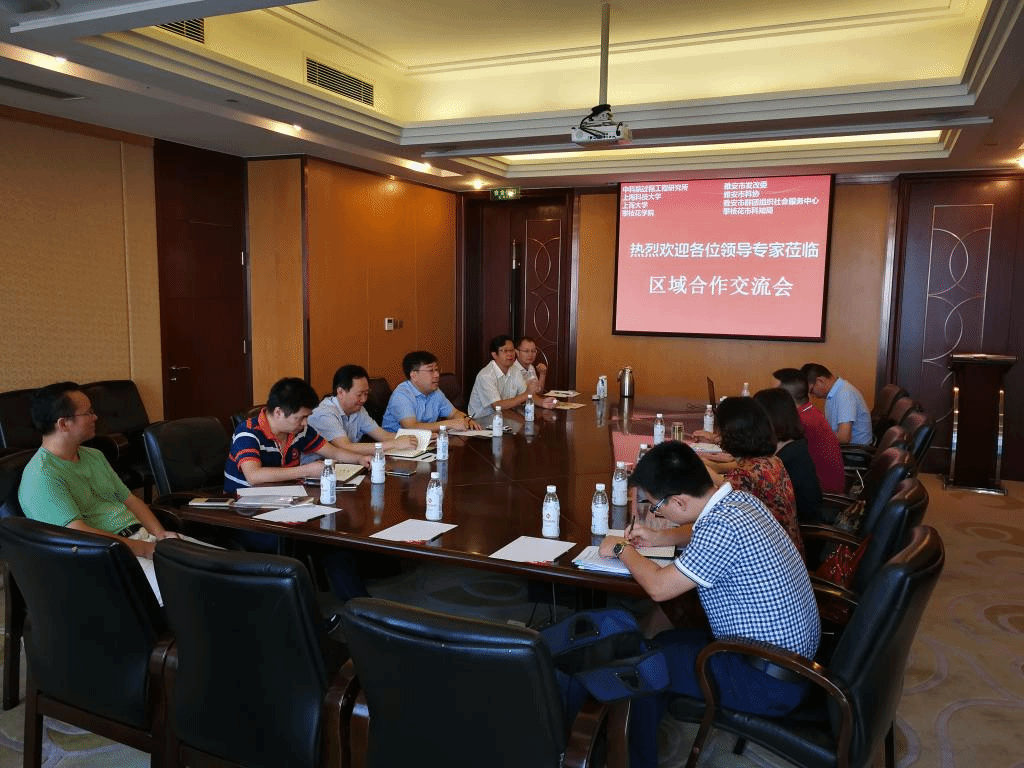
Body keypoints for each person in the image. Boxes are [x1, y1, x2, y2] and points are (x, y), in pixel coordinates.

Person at [599, 441, 820, 768]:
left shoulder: (722, 528)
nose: (657, 514)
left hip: (767, 681)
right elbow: (698, 529)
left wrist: (622, 550)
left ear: (678, 500)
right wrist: (660, 538)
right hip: (786, 661)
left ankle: (633, 760)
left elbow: (658, 587)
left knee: (643, 666)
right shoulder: (739, 500)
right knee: (660, 644)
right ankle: (645, 741)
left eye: (656, 507)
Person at [18, 381, 187, 601]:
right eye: (88, 412)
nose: (95, 417)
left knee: (220, 567)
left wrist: (160, 535)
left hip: (141, 539)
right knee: (189, 590)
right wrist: (144, 549)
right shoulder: (42, 476)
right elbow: (78, 534)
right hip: (105, 558)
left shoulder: (93, 456)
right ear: (64, 424)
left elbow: (130, 499)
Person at [224, 377, 370, 493]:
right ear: (278, 412)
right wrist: (307, 470)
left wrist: (360, 459)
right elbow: (254, 476)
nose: (305, 423)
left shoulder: (300, 430)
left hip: (285, 498)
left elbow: (333, 452)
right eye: (301, 417)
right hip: (244, 508)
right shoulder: (248, 432)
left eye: (307, 417)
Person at [307, 364, 418, 457]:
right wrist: (394, 444)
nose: (364, 399)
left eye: (366, 394)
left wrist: (416, 438)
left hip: (347, 463)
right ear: (340, 392)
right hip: (318, 469)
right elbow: (345, 447)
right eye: (359, 394)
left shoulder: (358, 409)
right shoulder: (325, 413)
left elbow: (383, 435)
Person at [753, 387, 824, 524]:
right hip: (790, 523)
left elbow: (754, 488)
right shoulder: (792, 445)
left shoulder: (787, 459)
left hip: (800, 530)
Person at [773, 367, 846, 494]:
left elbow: (775, 458)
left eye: (773, 394)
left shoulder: (801, 421)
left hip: (822, 493)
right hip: (821, 486)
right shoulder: (809, 410)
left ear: (786, 398)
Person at [467, 334, 557, 420]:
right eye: (505, 351)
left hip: (506, 417)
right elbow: (497, 405)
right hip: (481, 422)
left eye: (512, 350)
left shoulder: (514, 370)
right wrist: (526, 395)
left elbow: (526, 392)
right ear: (494, 354)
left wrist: (543, 402)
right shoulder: (486, 375)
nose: (510, 354)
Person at [381, 351, 475, 433]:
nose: (437, 375)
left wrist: (467, 420)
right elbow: (411, 427)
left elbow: (454, 413)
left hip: (425, 442)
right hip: (396, 444)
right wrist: (449, 424)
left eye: (437, 370)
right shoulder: (402, 394)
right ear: (414, 375)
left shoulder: (435, 392)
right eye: (431, 371)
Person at [801, 362, 872, 446]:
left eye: (812, 391)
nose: (813, 396)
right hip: (845, 448)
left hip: (852, 451)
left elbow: (844, 437)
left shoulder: (844, 394)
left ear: (820, 381)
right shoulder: (833, 394)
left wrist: (816, 438)